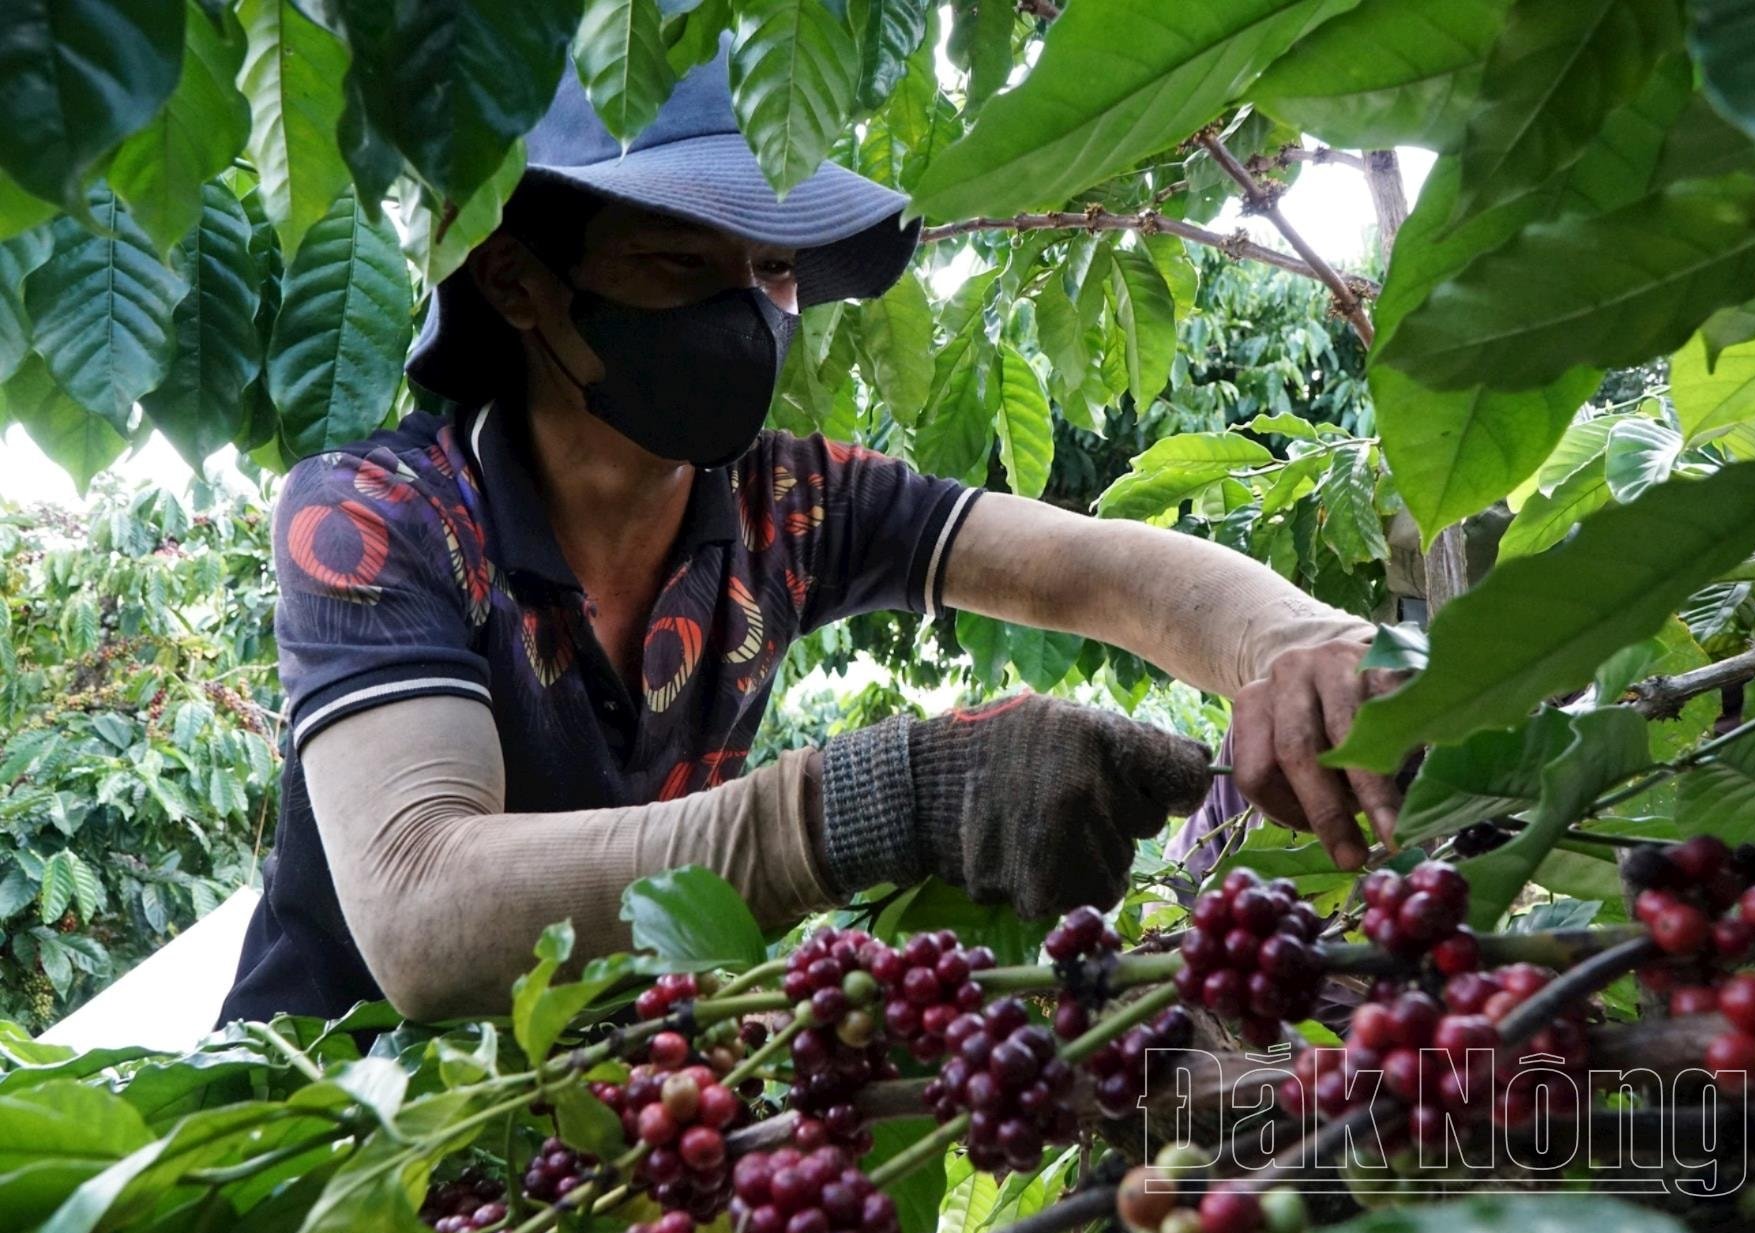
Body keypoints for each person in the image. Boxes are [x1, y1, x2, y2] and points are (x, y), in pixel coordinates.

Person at [218, 46, 1399, 1025]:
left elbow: (1090, 570)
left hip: (597, 1126)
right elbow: (420, 909)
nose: (747, 312)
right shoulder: (379, 517)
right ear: (519, 280)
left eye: (773, 268)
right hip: (316, 1141)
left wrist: (1302, 644)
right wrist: (857, 805)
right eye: (684, 263)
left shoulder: (786, 505)